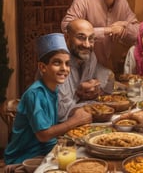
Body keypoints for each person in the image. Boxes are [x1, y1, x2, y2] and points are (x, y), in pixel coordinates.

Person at [4, 33, 92, 165]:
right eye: (57, 63)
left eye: (67, 64)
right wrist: (75, 121)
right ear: (42, 67)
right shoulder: (35, 93)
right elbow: (43, 135)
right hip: (25, 157)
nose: (64, 68)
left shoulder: (53, 89)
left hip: (47, 149)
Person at [61, 0, 139, 74]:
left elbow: (139, 31)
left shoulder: (122, 3)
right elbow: (66, 27)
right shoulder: (84, 1)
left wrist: (124, 28)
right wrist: (107, 31)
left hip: (103, 68)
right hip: (76, 68)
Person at [58, 19, 115, 122]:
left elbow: (104, 80)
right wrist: (79, 93)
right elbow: (61, 111)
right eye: (81, 38)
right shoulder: (59, 63)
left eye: (91, 39)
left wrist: (93, 91)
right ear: (66, 37)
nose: (87, 45)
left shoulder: (90, 56)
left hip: (81, 116)